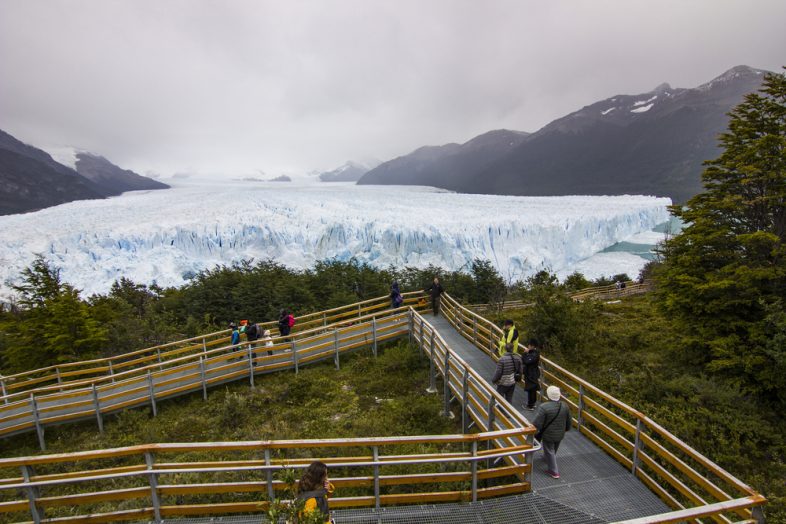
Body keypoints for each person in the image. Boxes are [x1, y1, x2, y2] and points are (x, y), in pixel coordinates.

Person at [533, 385, 571, 479]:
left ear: (549, 395)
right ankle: (547, 459)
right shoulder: (564, 405)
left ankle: (554, 471)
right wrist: (566, 429)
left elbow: (538, 422)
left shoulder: (544, 407)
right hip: (560, 432)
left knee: (550, 450)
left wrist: (533, 429)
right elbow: (569, 420)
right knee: (554, 448)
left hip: (548, 434)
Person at [521, 339, 541, 410]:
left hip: (532, 374)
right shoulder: (533, 352)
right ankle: (532, 403)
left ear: (532, 346)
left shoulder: (534, 354)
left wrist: (524, 354)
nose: (528, 346)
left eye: (529, 345)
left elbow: (526, 361)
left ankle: (530, 405)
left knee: (531, 389)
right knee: (533, 389)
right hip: (531, 373)